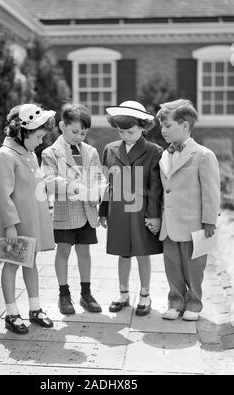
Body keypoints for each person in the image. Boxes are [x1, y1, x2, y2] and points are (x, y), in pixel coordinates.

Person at [0, 104, 56, 334]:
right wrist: (10, 227)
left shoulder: (29, 154)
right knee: (12, 264)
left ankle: (35, 309)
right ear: (22, 132)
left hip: (31, 221)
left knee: (31, 263)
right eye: (38, 136)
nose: (41, 141)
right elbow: (2, 196)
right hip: (15, 225)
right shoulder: (4, 156)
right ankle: (11, 313)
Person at [157, 99, 220, 321]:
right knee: (172, 264)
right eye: (162, 126)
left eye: (168, 125)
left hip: (194, 223)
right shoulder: (165, 155)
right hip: (169, 222)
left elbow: (211, 191)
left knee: (194, 267)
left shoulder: (203, 155)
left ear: (184, 125)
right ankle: (175, 301)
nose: (163, 130)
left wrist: (209, 220)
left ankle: (193, 303)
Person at [99, 101, 163, 316]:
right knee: (122, 252)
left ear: (144, 127)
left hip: (141, 209)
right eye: (120, 131)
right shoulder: (109, 149)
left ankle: (145, 294)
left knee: (142, 252)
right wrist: (103, 210)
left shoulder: (154, 151)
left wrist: (154, 215)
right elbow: (107, 184)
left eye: (130, 131)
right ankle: (123, 293)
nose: (125, 135)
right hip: (117, 208)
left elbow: (156, 187)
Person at [41, 103, 106, 315]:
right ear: (62, 126)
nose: (79, 136)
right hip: (65, 213)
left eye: (84, 133)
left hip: (87, 211)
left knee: (84, 252)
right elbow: (49, 180)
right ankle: (64, 294)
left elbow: (98, 177)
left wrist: (100, 190)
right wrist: (73, 186)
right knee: (64, 251)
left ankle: (86, 294)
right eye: (75, 131)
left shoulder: (91, 152)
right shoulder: (51, 153)